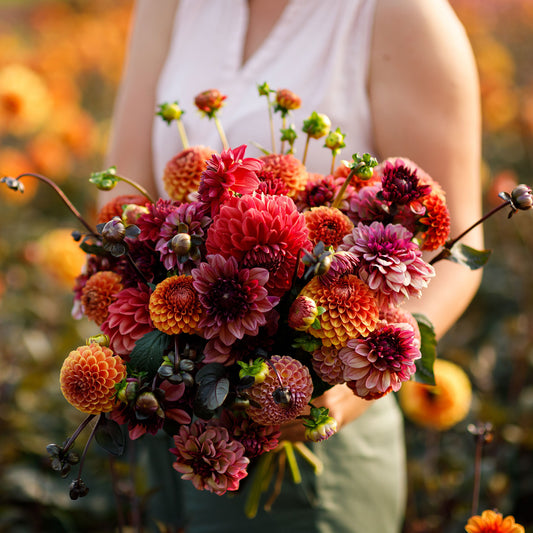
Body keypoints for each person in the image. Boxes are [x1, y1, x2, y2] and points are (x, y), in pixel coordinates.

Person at [103, 0, 484, 531]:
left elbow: (457, 247)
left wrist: (338, 394)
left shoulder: (403, 16)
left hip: (324, 441)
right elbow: (123, 195)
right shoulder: (167, 7)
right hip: (176, 417)